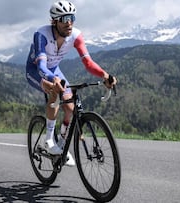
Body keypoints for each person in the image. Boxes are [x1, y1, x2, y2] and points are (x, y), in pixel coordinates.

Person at [26, 1, 117, 166]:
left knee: (70, 107)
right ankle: (48, 140)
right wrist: (52, 80)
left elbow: (88, 63)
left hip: (54, 69)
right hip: (36, 71)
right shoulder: (41, 34)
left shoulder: (76, 35)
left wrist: (104, 75)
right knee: (54, 92)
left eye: (72, 17)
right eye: (64, 18)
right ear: (54, 21)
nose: (69, 22)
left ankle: (61, 144)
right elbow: (41, 66)